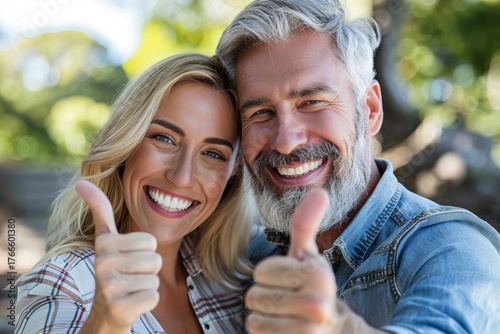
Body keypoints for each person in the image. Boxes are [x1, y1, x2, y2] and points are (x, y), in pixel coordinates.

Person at [216, 0, 500, 333]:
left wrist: (338, 327)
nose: (286, 141)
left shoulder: (451, 247)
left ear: (370, 110)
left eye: (312, 102)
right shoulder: (243, 261)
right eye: (260, 113)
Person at [15, 53, 270, 333]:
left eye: (212, 153)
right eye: (164, 138)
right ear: (127, 141)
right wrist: (105, 322)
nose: (182, 178)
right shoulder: (64, 284)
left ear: (232, 174)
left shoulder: (234, 278)